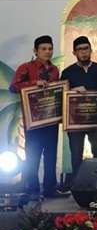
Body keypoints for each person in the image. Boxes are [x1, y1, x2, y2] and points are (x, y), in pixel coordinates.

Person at [9, 35, 68, 199]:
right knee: (32, 156)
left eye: (50, 49)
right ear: (35, 51)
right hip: (33, 121)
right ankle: (32, 189)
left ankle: (50, 189)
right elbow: (13, 87)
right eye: (43, 49)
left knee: (51, 156)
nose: (47, 51)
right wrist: (34, 83)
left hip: (51, 119)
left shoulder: (55, 70)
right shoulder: (26, 67)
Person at [60, 36, 97, 187]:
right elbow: (61, 95)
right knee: (76, 155)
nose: (83, 52)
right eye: (80, 49)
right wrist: (72, 91)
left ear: (91, 50)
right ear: (74, 52)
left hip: (96, 120)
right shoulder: (68, 72)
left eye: (86, 48)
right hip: (75, 122)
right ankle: (78, 186)